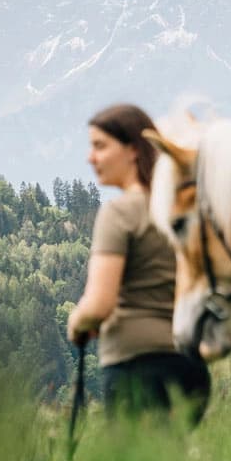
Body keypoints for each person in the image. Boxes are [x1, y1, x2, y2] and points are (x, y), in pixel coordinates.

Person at [66, 102, 210, 421]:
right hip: (190, 365)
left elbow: (99, 304)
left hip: (137, 367)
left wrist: (76, 323)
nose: (91, 157)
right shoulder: (182, 209)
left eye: (100, 146)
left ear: (133, 150)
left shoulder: (120, 213)